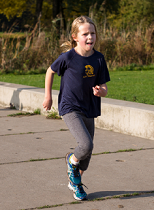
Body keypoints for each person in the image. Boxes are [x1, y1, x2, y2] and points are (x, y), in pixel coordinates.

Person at [42, 16, 110, 200]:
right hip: (70, 107)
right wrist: (48, 96)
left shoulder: (99, 59)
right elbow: (50, 71)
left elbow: (104, 87)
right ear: (75, 36)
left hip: (90, 107)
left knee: (86, 156)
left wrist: (100, 92)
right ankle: (71, 161)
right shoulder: (68, 57)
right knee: (85, 144)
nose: (90, 37)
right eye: (85, 34)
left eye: (93, 33)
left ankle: (75, 182)